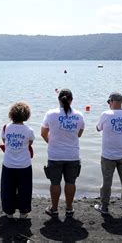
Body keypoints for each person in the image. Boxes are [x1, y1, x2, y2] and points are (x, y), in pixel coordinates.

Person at [41, 89, 84, 218]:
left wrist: (52, 142)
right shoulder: (79, 115)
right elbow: (79, 134)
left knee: (55, 183)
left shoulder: (50, 114)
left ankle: (54, 209)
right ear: (72, 100)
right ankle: (69, 208)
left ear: (59, 99)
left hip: (55, 155)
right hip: (72, 155)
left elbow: (43, 133)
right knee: (71, 182)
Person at [94, 92, 122, 214]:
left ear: (111, 101)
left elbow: (98, 128)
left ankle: (104, 206)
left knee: (107, 181)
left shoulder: (106, 114)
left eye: (108, 102)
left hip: (108, 155)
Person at [0, 102, 35, 219]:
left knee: (7, 189)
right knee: (24, 189)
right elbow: (30, 143)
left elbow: (4, 140)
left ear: (12, 114)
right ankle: (23, 212)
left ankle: (9, 212)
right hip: (24, 164)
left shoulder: (6, 128)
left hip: (8, 163)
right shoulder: (29, 130)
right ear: (26, 116)